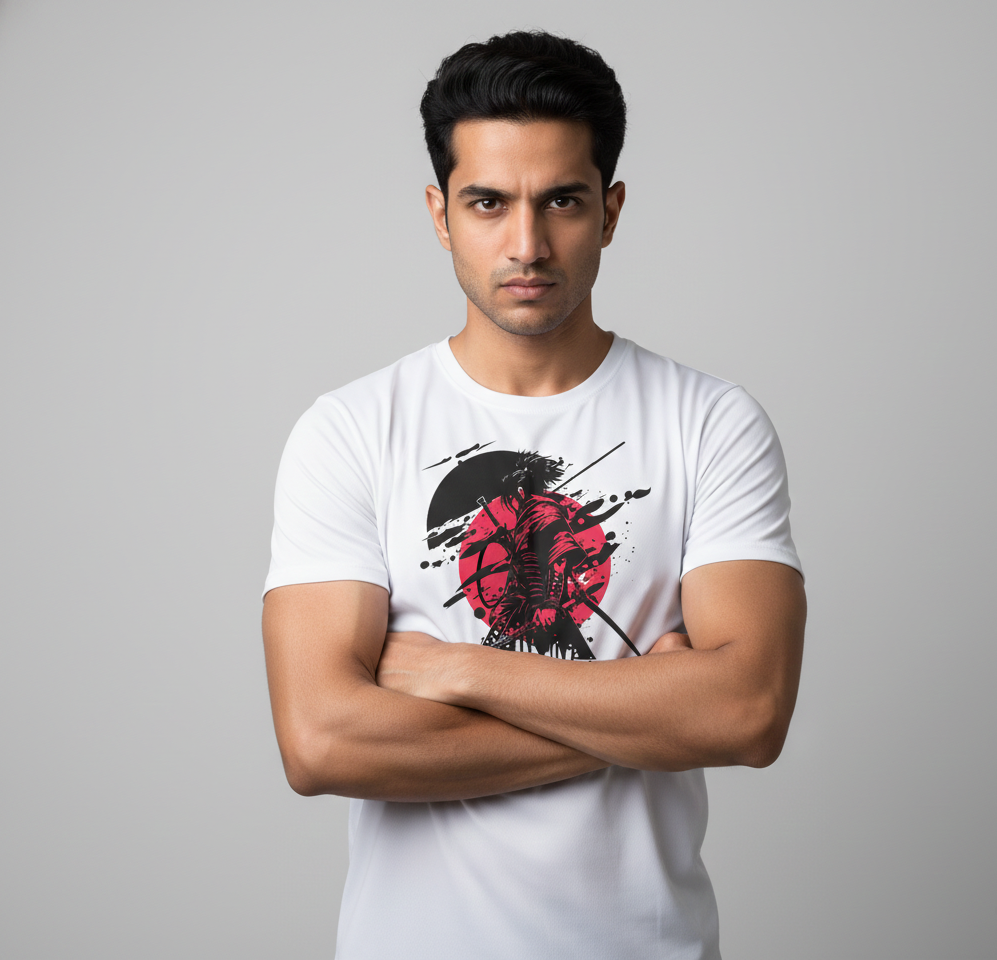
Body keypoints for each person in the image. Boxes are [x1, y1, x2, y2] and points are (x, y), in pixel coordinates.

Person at [261, 29, 806, 960]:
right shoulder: (350, 430)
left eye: (562, 200)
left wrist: (460, 672)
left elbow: (747, 713)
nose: (527, 245)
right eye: (488, 203)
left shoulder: (710, 423)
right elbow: (321, 743)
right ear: (440, 214)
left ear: (611, 210)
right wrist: (646, 712)